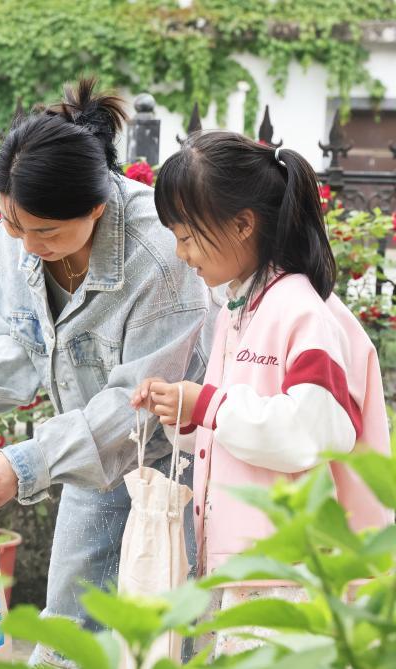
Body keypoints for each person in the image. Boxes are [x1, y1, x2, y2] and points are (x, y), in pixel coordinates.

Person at [0, 78, 213, 666]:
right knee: (70, 624)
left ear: (98, 206)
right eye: (15, 226)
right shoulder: (19, 234)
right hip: (88, 458)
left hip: (177, 463)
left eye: (46, 232)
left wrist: (29, 464)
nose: (28, 243)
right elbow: (22, 335)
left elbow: (138, 403)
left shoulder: (160, 255)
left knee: (170, 629)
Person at [133, 131, 393, 656]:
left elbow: (315, 431)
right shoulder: (242, 305)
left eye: (186, 236)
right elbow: (241, 428)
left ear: (243, 224)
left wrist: (205, 404)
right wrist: (183, 414)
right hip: (247, 562)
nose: (181, 254)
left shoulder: (300, 310)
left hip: (287, 571)